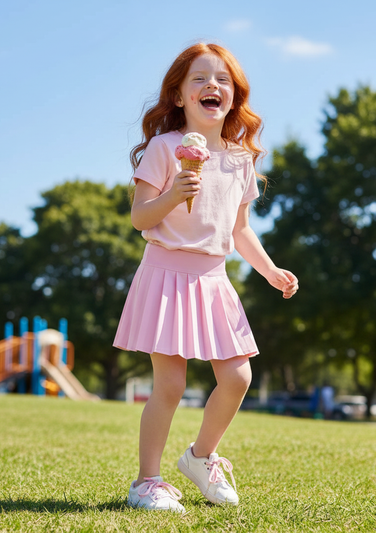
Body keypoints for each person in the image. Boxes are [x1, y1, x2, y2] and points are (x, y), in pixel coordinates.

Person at [113, 42, 299, 513]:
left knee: (238, 376)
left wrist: (270, 269)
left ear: (234, 97)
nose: (211, 86)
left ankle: (200, 457)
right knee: (170, 386)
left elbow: (239, 231)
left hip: (215, 280)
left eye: (222, 80)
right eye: (198, 79)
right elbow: (139, 217)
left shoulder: (241, 160)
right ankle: (146, 483)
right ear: (178, 96)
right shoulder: (163, 148)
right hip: (165, 272)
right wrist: (174, 194)